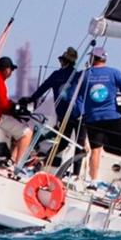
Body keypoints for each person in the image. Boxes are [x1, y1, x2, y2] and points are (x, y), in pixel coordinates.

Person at [73, 47, 121, 182]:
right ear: (104, 58)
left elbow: (77, 98)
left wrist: (82, 114)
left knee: (96, 150)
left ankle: (93, 182)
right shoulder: (114, 73)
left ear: (93, 58)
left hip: (93, 119)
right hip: (113, 116)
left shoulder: (84, 75)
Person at [24, 46, 86, 176]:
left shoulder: (56, 75)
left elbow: (42, 90)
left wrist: (30, 99)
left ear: (64, 61)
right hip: (79, 115)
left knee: (63, 142)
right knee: (79, 145)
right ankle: (75, 174)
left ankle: (43, 161)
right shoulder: (79, 76)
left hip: (64, 114)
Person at [0, 56, 33, 165]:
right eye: (11, 70)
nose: (11, 73)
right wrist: (16, 109)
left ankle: (11, 160)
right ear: (7, 69)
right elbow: (3, 105)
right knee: (27, 132)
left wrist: (13, 107)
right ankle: (18, 166)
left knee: (19, 127)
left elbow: (1, 101)